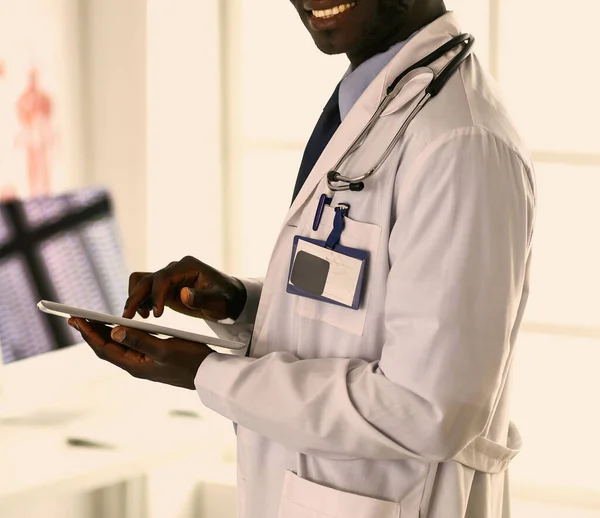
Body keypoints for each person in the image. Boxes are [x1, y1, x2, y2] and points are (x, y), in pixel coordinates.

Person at [69, 1, 536, 517]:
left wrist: (208, 373)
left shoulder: (461, 143)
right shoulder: (379, 102)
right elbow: (366, 310)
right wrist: (239, 304)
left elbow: (429, 410)